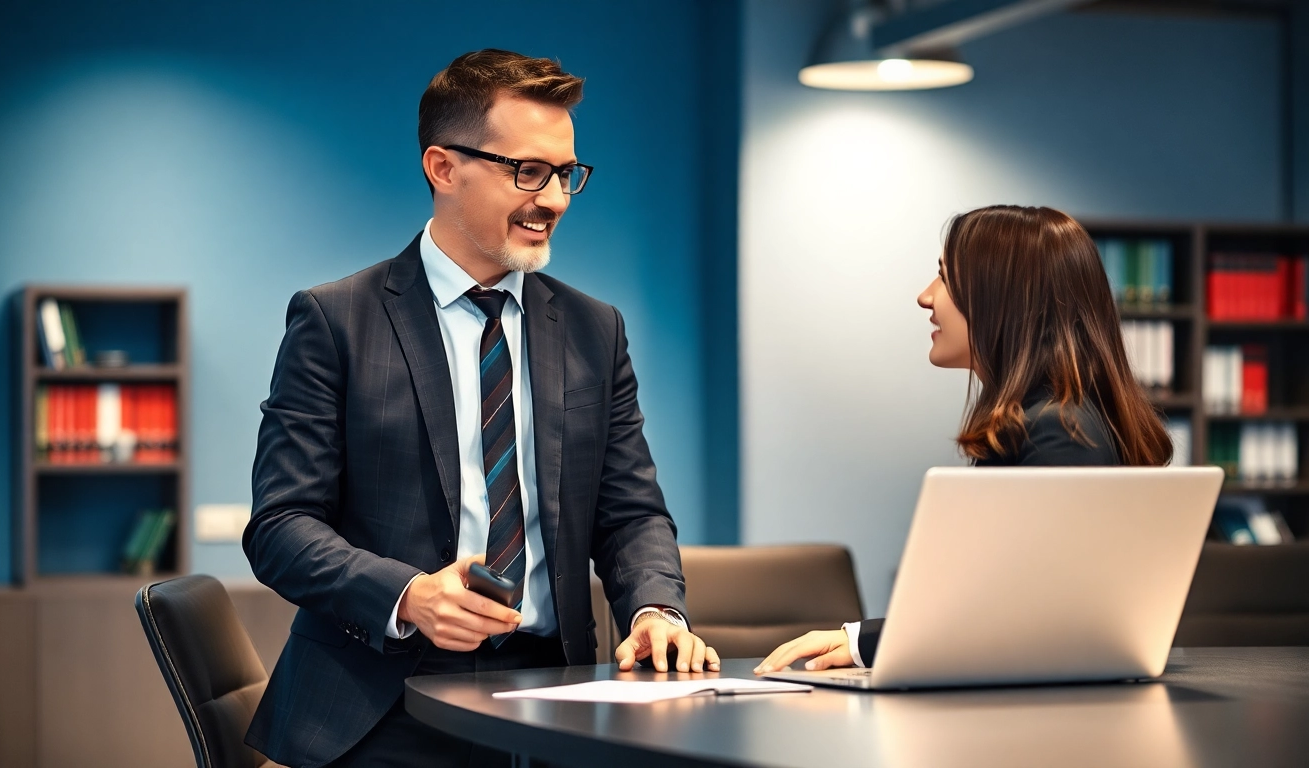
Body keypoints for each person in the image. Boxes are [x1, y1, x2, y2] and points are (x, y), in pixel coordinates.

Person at [244, 49, 719, 768]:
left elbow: (631, 514)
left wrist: (656, 609)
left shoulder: (597, 330)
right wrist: (407, 595)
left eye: (566, 174)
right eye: (527, 172)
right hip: (379, 703)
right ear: (443, 168)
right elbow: (281, 526)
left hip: (557, 694)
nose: (554, 198)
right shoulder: (335, 320)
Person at [753, 204, 1173, 676]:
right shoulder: (1052, 419)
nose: (925, 297)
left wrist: (860, 642)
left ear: (1003, 299)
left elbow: (1021, 617)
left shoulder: (1059, 430)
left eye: (945, 279)